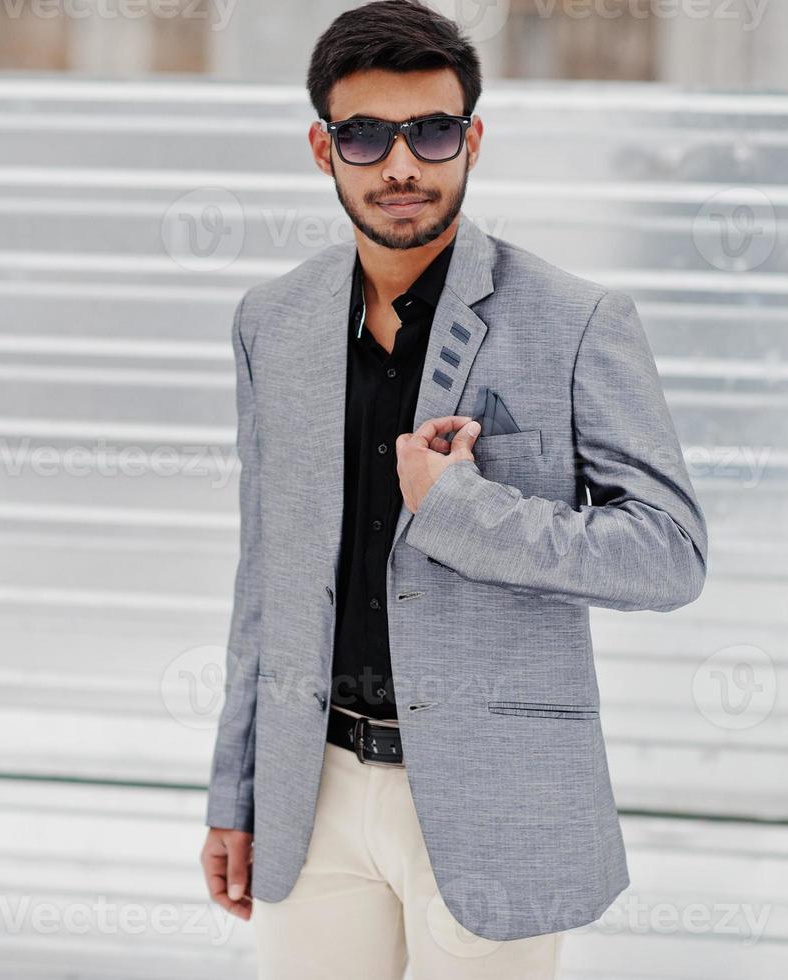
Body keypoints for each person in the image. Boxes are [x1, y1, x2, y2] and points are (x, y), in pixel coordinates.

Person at [199, 2, 708, 976]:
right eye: (366, 136)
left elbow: (670, 554)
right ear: (323, 148)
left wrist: (464, 508)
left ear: (471, 138)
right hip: (319, 792)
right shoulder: (273, 321)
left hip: (495, 794)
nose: (402, 165)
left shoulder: (575, 319)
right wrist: (239, 788)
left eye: (431, 132)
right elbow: (263, 569)